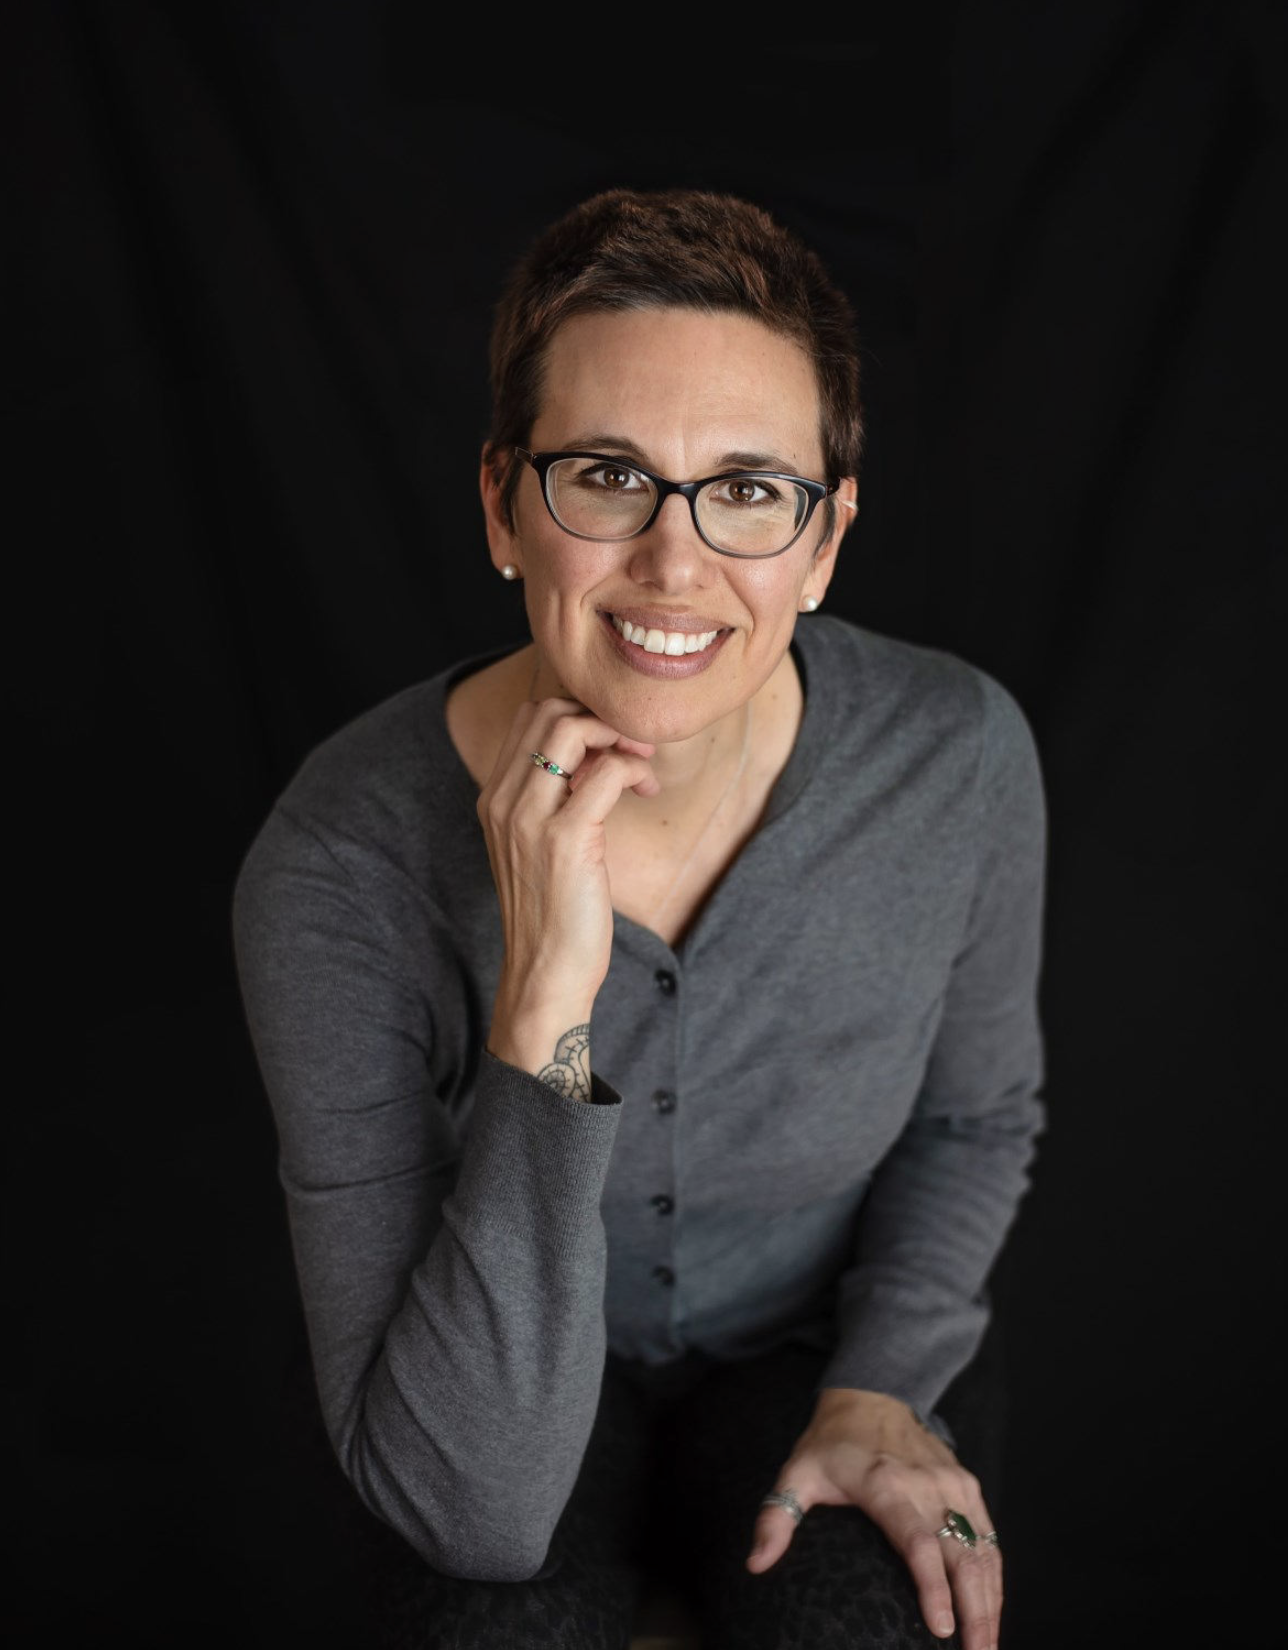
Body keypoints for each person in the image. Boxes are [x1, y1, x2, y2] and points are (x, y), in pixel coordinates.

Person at [233, 186, 1047, 1650]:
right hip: (480, 1363)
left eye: (750, 490)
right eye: (608, 476)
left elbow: (974, 1121)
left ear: (825, 541)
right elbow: (478, 1504)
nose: (676, 565)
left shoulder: (959, 759)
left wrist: (883, 1380)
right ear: (503, 505)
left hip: (825, 1346)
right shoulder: (336, 865)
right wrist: (546, 1001)